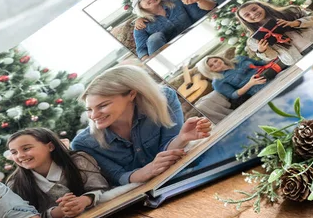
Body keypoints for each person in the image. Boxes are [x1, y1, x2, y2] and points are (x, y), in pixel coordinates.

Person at [71, 65, 212, 186]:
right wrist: (147, 171)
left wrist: (182, 138)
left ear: (131, 94)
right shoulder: (83, 143)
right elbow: (117, 176)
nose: (94, 116)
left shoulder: (164, 98)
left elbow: (169, 149)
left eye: (103, 106)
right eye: (89, 109)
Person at [6, 128, 109, 218]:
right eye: (14, 152)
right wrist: (57, 213)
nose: (20, 155)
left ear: (50, 146)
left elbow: (104, 189)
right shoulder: (15, 184)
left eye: (26, 148)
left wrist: (85, 200)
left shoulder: (78, 161)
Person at [237, 1, 313, 65]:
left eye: (254, 9)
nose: (253, 14)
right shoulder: (254, 40)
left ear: (262, 6)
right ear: (244, 20)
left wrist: (295, 23)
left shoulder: (290, 11)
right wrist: (263, 50)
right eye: (247, 15)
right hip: (298, 57)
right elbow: (272, 56)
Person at [132, 0, 209, 59]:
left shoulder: (177, 1)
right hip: (172, 54)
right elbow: (142, 51)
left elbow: (199, 15)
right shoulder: (141, 25)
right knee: (155, 37)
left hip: (195, 37)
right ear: (140, 5)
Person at [197, 55, 268, 104]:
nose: (216, 64)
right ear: (208, 70)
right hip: (259, 89)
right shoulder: (217, 82)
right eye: (211, 66)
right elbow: (233, 95)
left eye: (216, 60)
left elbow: (261, 63)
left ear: (220, 58)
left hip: (269, 74)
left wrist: (261, 51)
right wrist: (250, 84)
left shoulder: (239, 58)